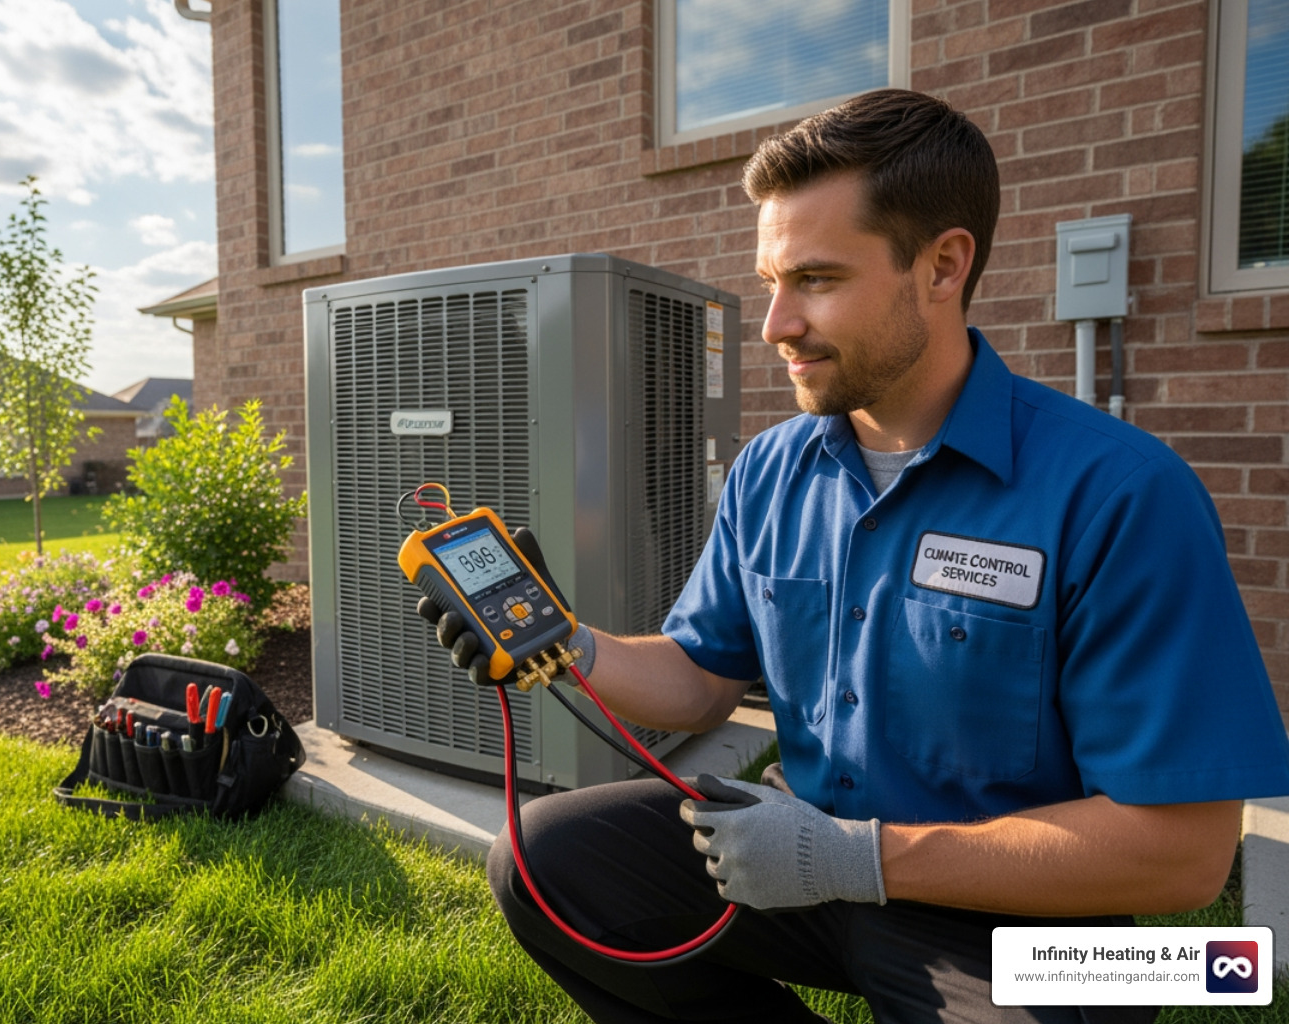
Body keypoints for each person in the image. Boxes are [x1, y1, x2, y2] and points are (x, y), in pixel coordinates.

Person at [419, 89, 1289, 1023]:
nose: (774, 325)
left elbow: (1187, 859)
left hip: (1031, 921)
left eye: (818, 280)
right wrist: (571, 645)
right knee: (547, 863)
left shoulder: (1121, 492)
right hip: (797, 856)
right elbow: (702, 677)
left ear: (944, 266)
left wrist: (859, 858)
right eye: (770, 284)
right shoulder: (771, 470)